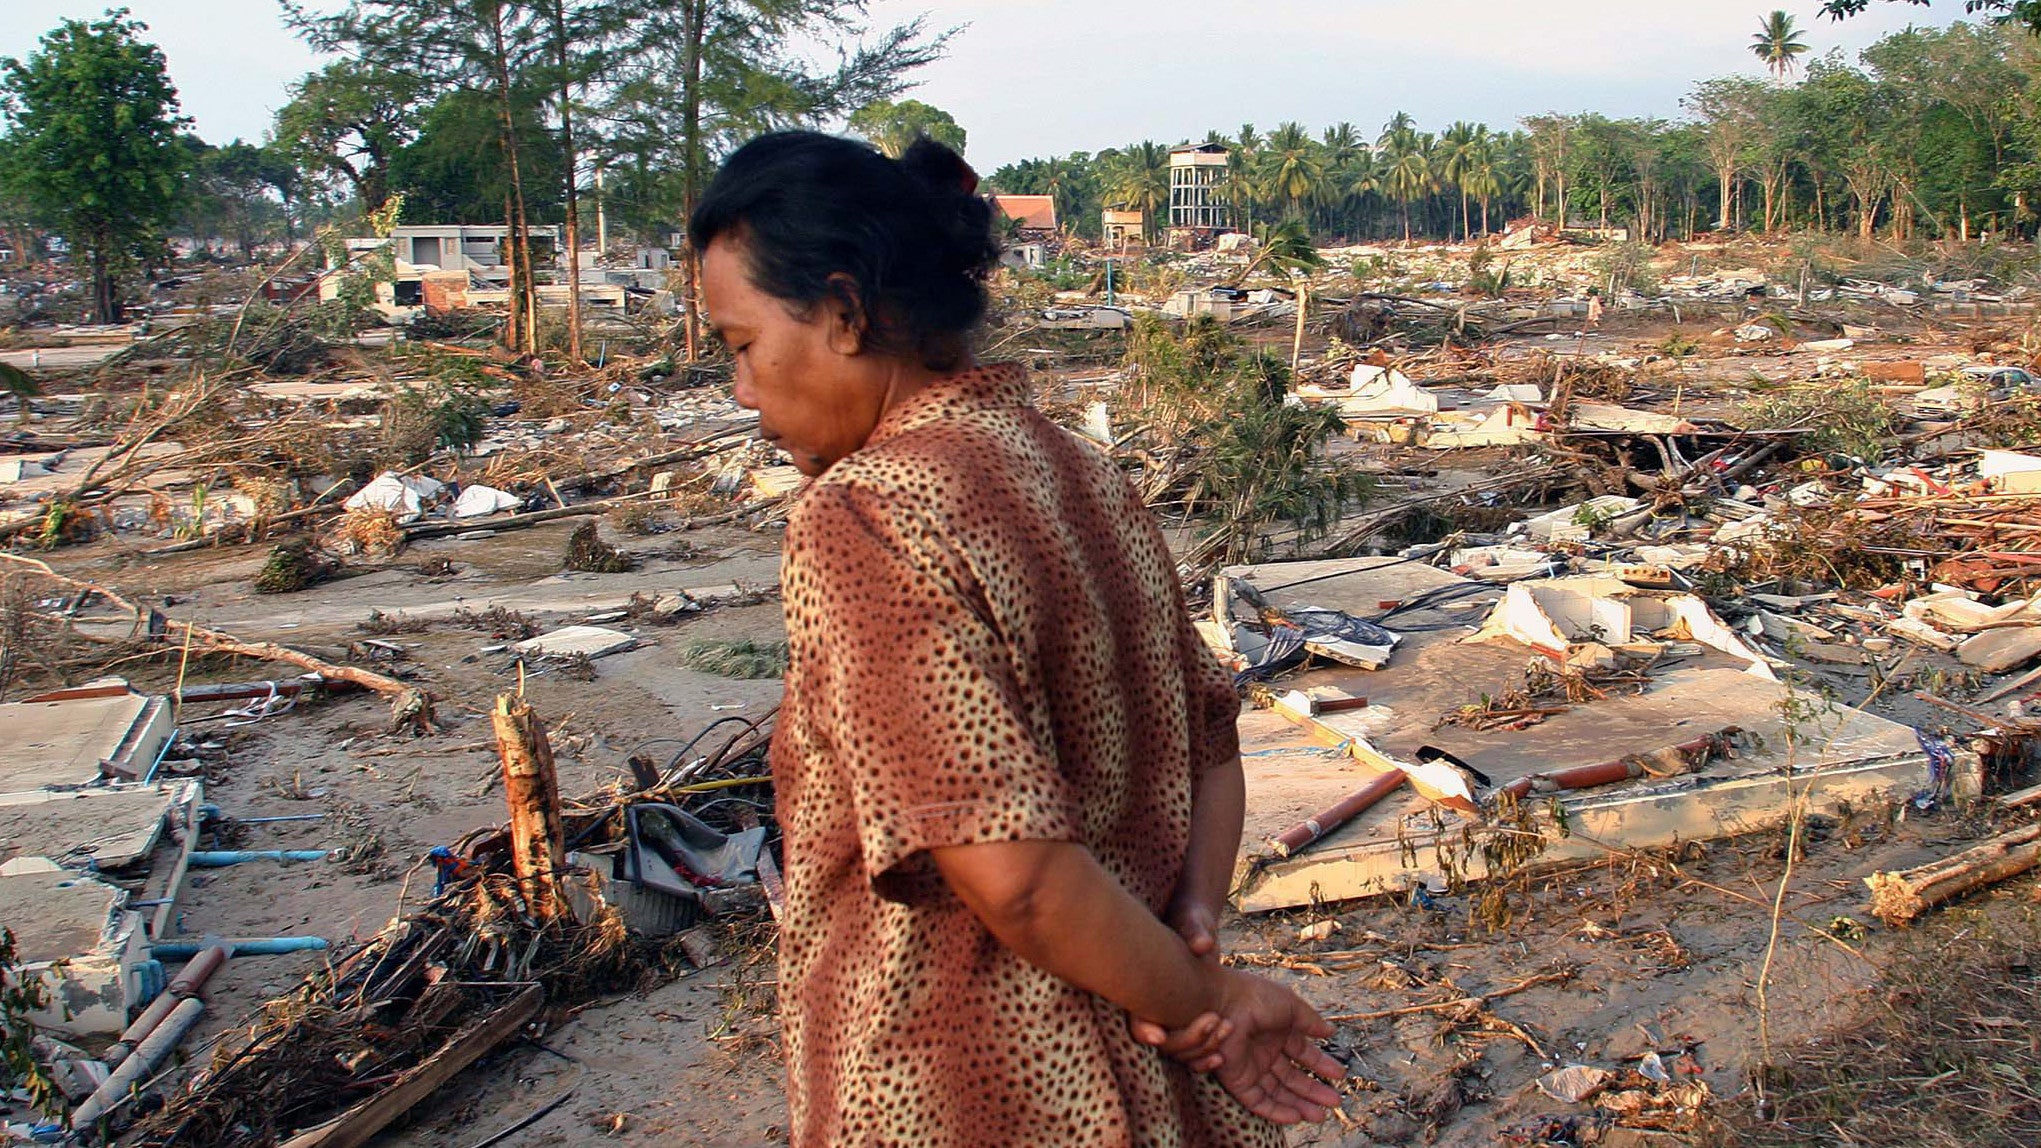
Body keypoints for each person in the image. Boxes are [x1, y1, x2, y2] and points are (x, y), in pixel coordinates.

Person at [690, 130, 1346, 1147]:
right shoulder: (1079, 472)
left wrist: (1198, 1002)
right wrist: (1195, 943)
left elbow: (1018, 876)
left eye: (740, 344)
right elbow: (1212, 743)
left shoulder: (866, 515)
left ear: (846, 312)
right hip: (1147, 1080)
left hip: (959, 1088)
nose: (740, 390)